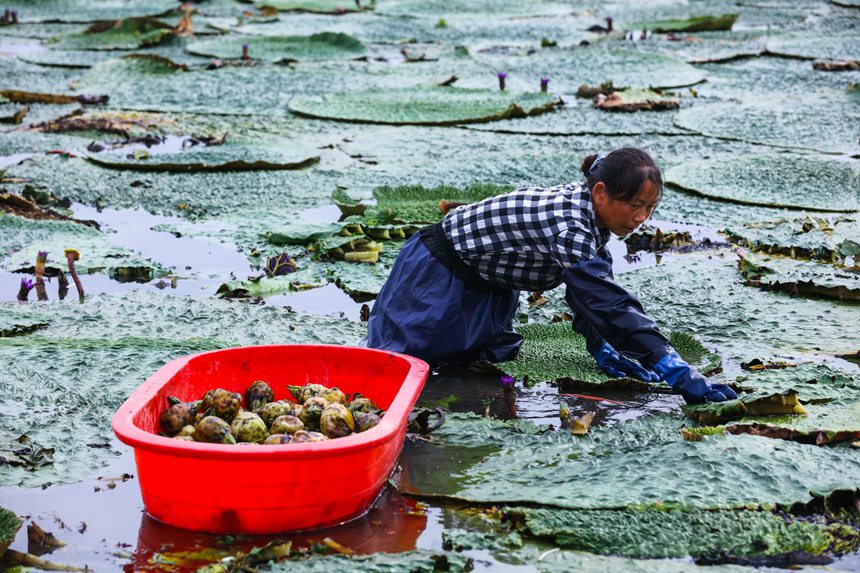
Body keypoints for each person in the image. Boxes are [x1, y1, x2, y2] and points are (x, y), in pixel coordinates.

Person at [366, 148, 736, 404]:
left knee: (474, 357)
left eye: (650, 209)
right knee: (401, 365)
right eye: (635, 206)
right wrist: (675, 368)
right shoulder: (570, 226)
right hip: (439, 271)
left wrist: (602, 348)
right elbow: (607, 303)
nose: (642, 218)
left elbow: (588, 294)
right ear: (602, 193)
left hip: (488, 281)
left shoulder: (590, 217)